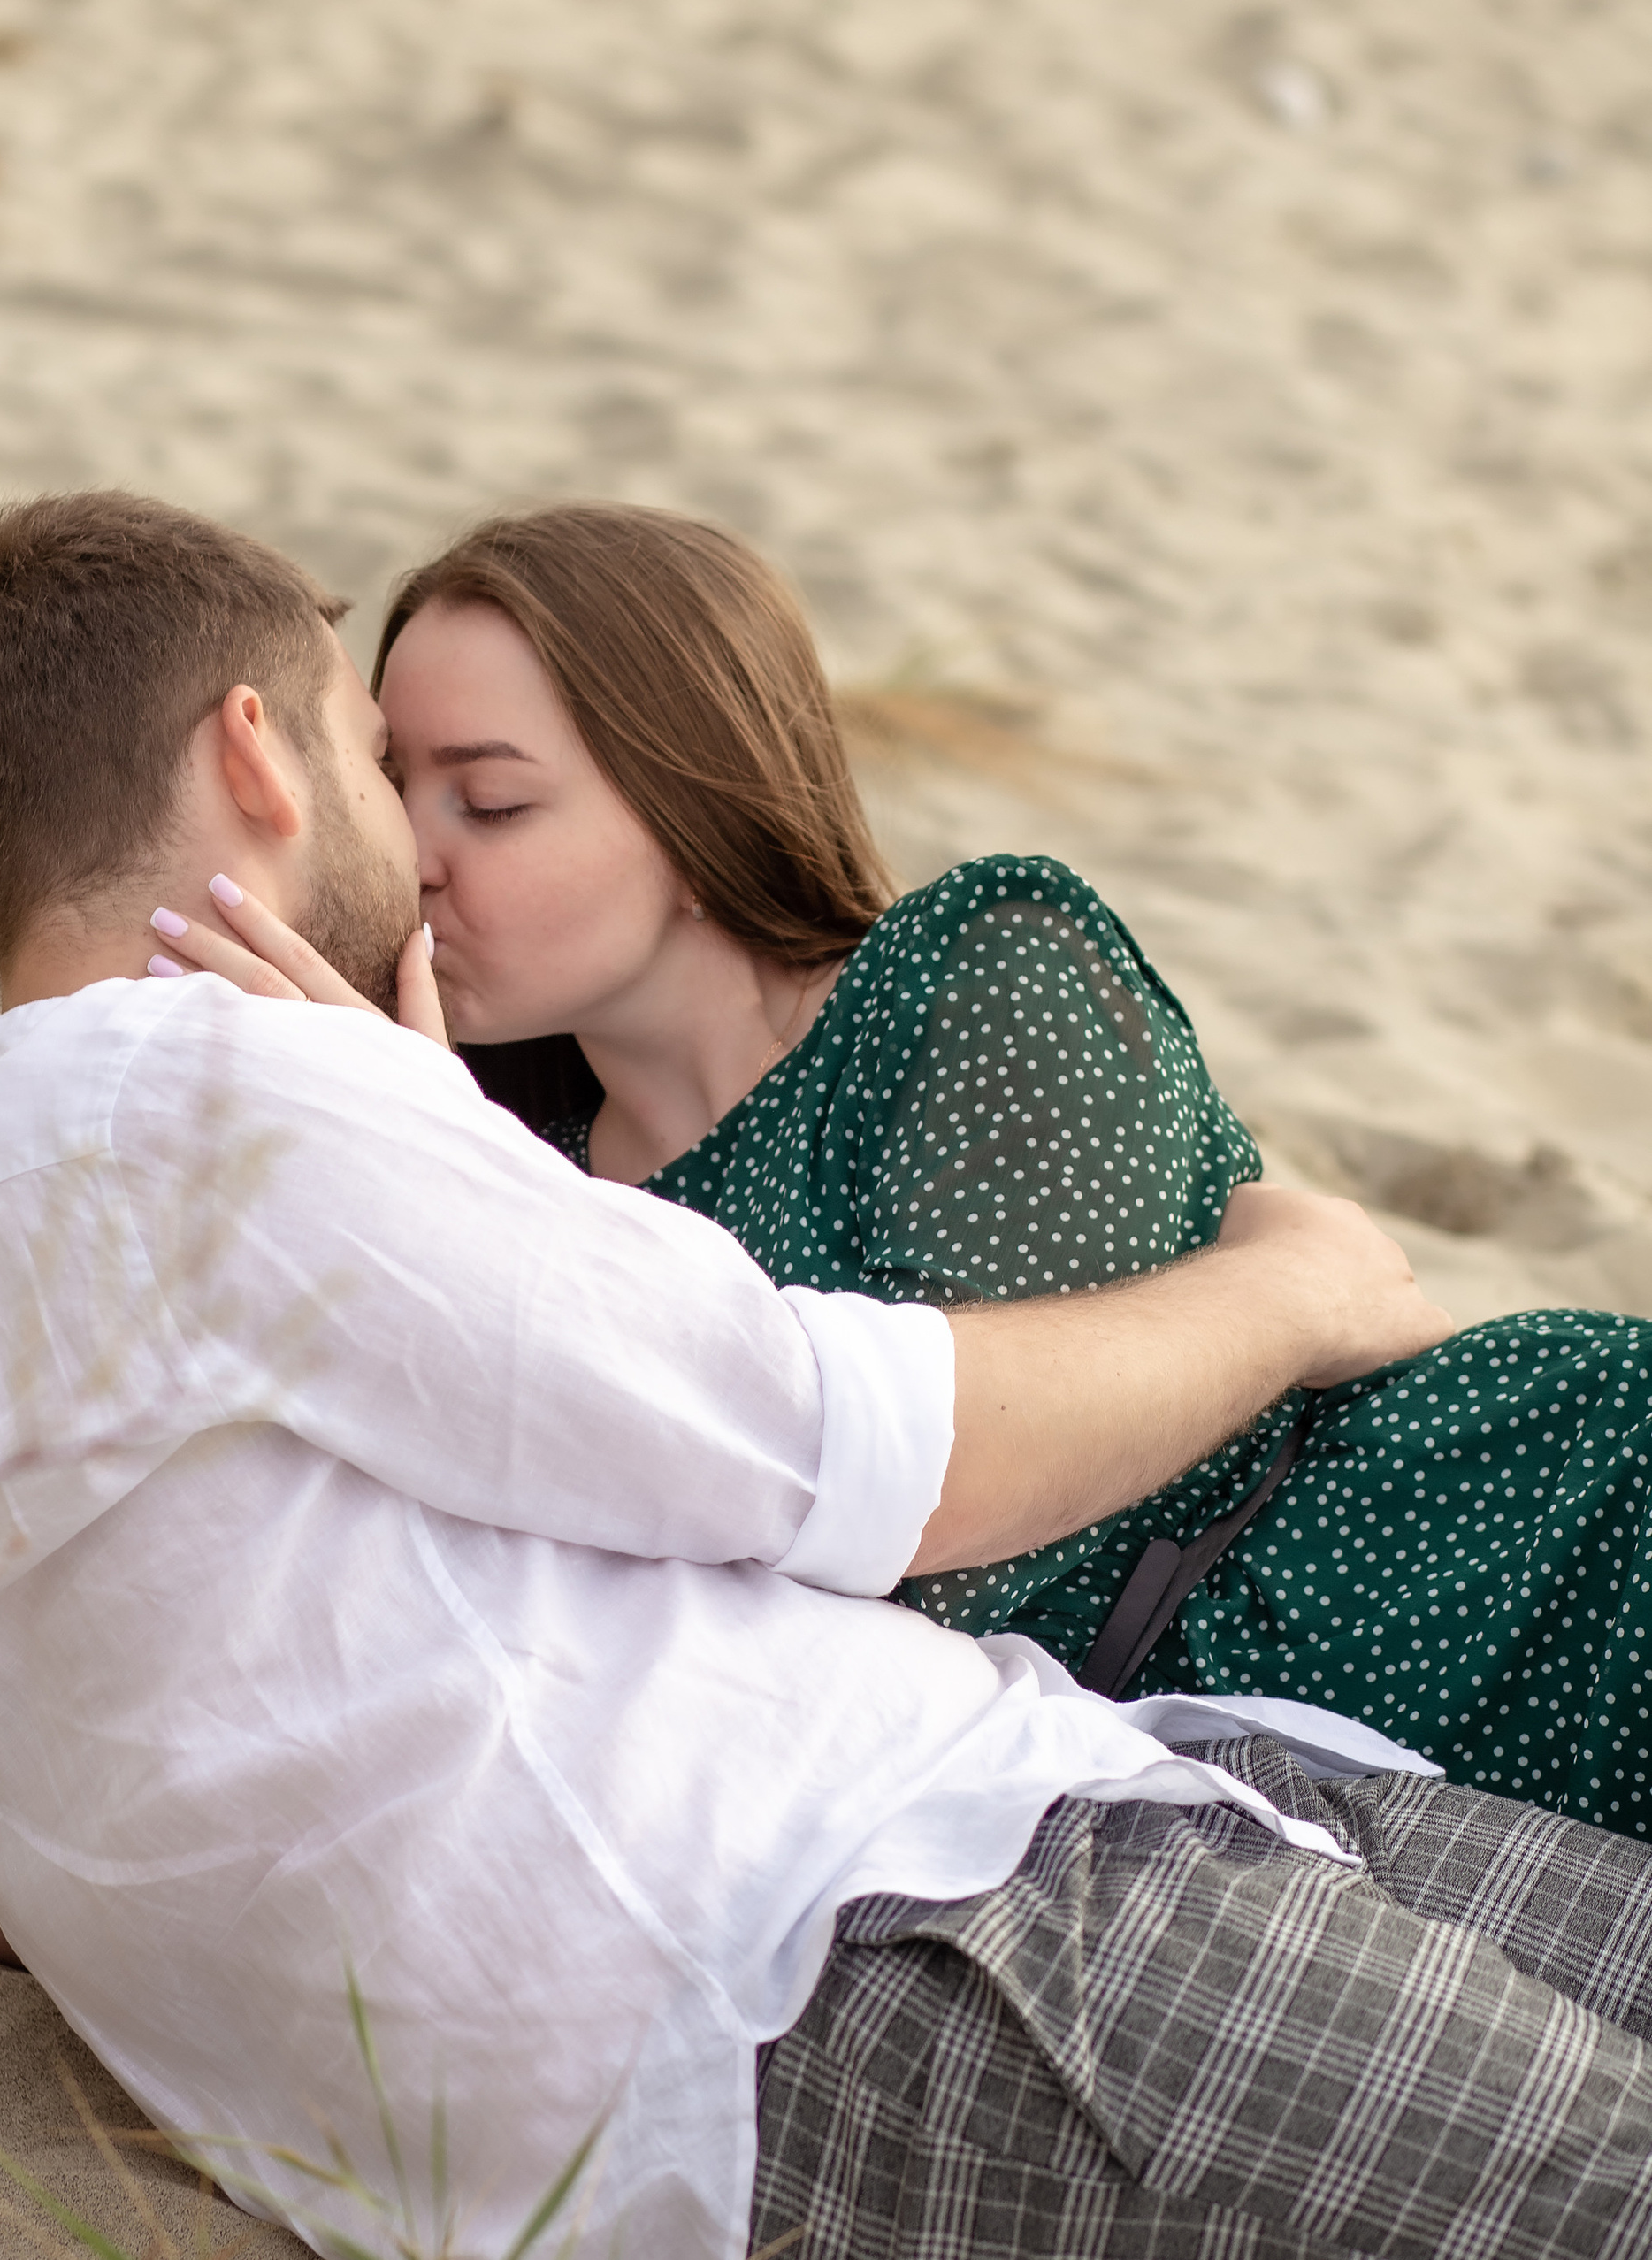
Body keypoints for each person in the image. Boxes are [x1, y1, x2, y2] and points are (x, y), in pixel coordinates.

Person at [0, 486, 1652, 2260]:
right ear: (257, 758)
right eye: (371, 757)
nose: (412, 839)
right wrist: (1289, 1286)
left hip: (1112, 1769)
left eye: (481, 791)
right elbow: (846, 1454)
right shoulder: (238, 1104)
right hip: (897, 1938)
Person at [333, 503, 1648, 1839]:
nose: (415, 860)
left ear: (693, 807)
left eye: (489, 801)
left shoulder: (979, 971)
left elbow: (959, 1531)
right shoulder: (538, 1190)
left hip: (1511, 1551)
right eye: (393, 794)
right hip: (1236, 1805)